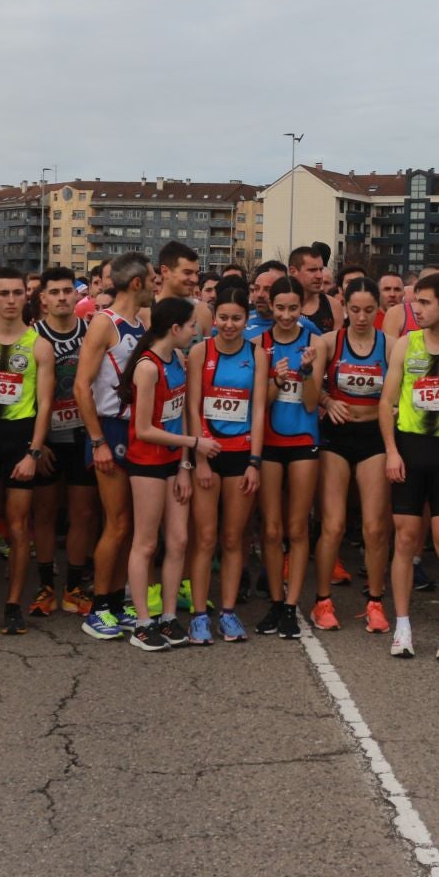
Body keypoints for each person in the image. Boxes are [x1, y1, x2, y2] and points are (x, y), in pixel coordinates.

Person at [381, 271, 439, 659]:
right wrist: (392, 451)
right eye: (414, 301)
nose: (415, 309)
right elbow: (386, 402)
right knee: (404, 539)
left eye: (424, 302)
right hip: (410, 449)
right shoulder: (405, 344)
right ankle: (402, 627)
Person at [121, 297, 213, 650]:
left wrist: (186, 463)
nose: (196, 332)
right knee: (146, 543)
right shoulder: (148, 367)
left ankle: (170, 615)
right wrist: (194, 442)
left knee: (178, 540)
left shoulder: (177, 359)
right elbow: (144, 429)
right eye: (192, 326)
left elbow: (180, 413)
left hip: (174, 462)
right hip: (146, 463)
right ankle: (143, 622)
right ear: (175, 329)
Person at [0, 267, 54, 637]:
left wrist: (33, 453)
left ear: (26, 297)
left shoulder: (39, 345)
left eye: (17, 293)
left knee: (19, 529)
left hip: (20, 440)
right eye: (3, 294)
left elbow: (45, 405)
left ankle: (13, 604)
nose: (10, 300)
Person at [74, 251, 150, 640]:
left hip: (136, 430)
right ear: (136, 283)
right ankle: (98, 607)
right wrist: (98, 441)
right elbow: (80, 386)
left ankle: (117, 603)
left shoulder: (142, 322)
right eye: (151, 279)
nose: (155, 285)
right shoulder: (105, 324)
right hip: (111, 429)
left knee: (131, 525)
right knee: (116, 522)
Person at [311, 277, 393, 633]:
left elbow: (399, 391)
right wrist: (328, 401)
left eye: (369, 310)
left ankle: (375, 601)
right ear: (344, 306)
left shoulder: (389, 345)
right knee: (333, 524)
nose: (361, 317)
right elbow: (311, 394)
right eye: (355, 309)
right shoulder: (330, 342)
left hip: (374, 435)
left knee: (375, 527)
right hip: (337, 438)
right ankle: (322, 601)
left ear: (378, 310)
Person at [187, 278, 265, 644]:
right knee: (204, 538)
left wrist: (255, 462)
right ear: (213, 317)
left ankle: (229, 612)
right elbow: (192, 406)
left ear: (246, 319)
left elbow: (260, 410)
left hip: (240, 457)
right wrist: (199, 457)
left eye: (237, 318)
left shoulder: (257, 354)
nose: (229, 324)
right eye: (223, 317)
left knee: (233, 538)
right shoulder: (200, 352)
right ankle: (200, 614)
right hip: (208, 455)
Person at [30, 267, 97, 619]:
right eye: (53, 291)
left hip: (82, 435)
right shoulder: (33, 336)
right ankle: (44, 586)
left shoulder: (90, 333)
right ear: (43, 299)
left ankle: (72, 587)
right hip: (48, 437)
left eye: (67, 291)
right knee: (43, 513)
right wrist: (36, 444)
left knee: (82, 513)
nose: (61, 297)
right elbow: (25, 396)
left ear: (76, 295)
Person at [263, 275, 323, 639]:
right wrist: (275, 379)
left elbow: (313, 402)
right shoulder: (259, 343)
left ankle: (291, 605)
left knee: (297, 527)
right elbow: (260, 403)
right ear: (271, 307)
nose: (286, 315)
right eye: (280, 308)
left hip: (304, 439)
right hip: (269, 442)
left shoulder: (314, 342)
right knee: (271, 529)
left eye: (293, 308)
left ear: (302, 308)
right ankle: (274, 600)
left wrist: (306, 372)